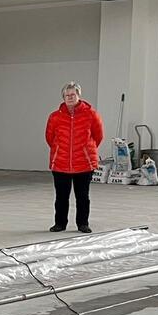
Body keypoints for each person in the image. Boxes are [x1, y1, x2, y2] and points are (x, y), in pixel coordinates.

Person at [45, 81, 103, 234]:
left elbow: (98, 136)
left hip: (84, 163)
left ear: (79, 96)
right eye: (67, 95)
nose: (70, 97)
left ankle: (83, 224)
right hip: (60, 163)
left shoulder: (91, 115)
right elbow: (50, 138)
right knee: (61, 197)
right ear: (63, 97)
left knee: (83, 197)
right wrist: (60, 151)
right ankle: (60, 224)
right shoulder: (55, 117)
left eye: (73, 94)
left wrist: (84, 151)